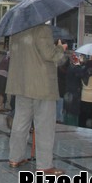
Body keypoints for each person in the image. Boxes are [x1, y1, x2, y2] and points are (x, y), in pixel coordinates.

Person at [7, 24, 67, 175]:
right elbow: (49, 55)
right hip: (41, 85)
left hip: (22, 83)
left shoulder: (16, 30)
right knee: (44, 125)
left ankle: (15, 158)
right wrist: (60, 48)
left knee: (20, 122)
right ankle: (45, 165)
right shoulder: (42, 29)